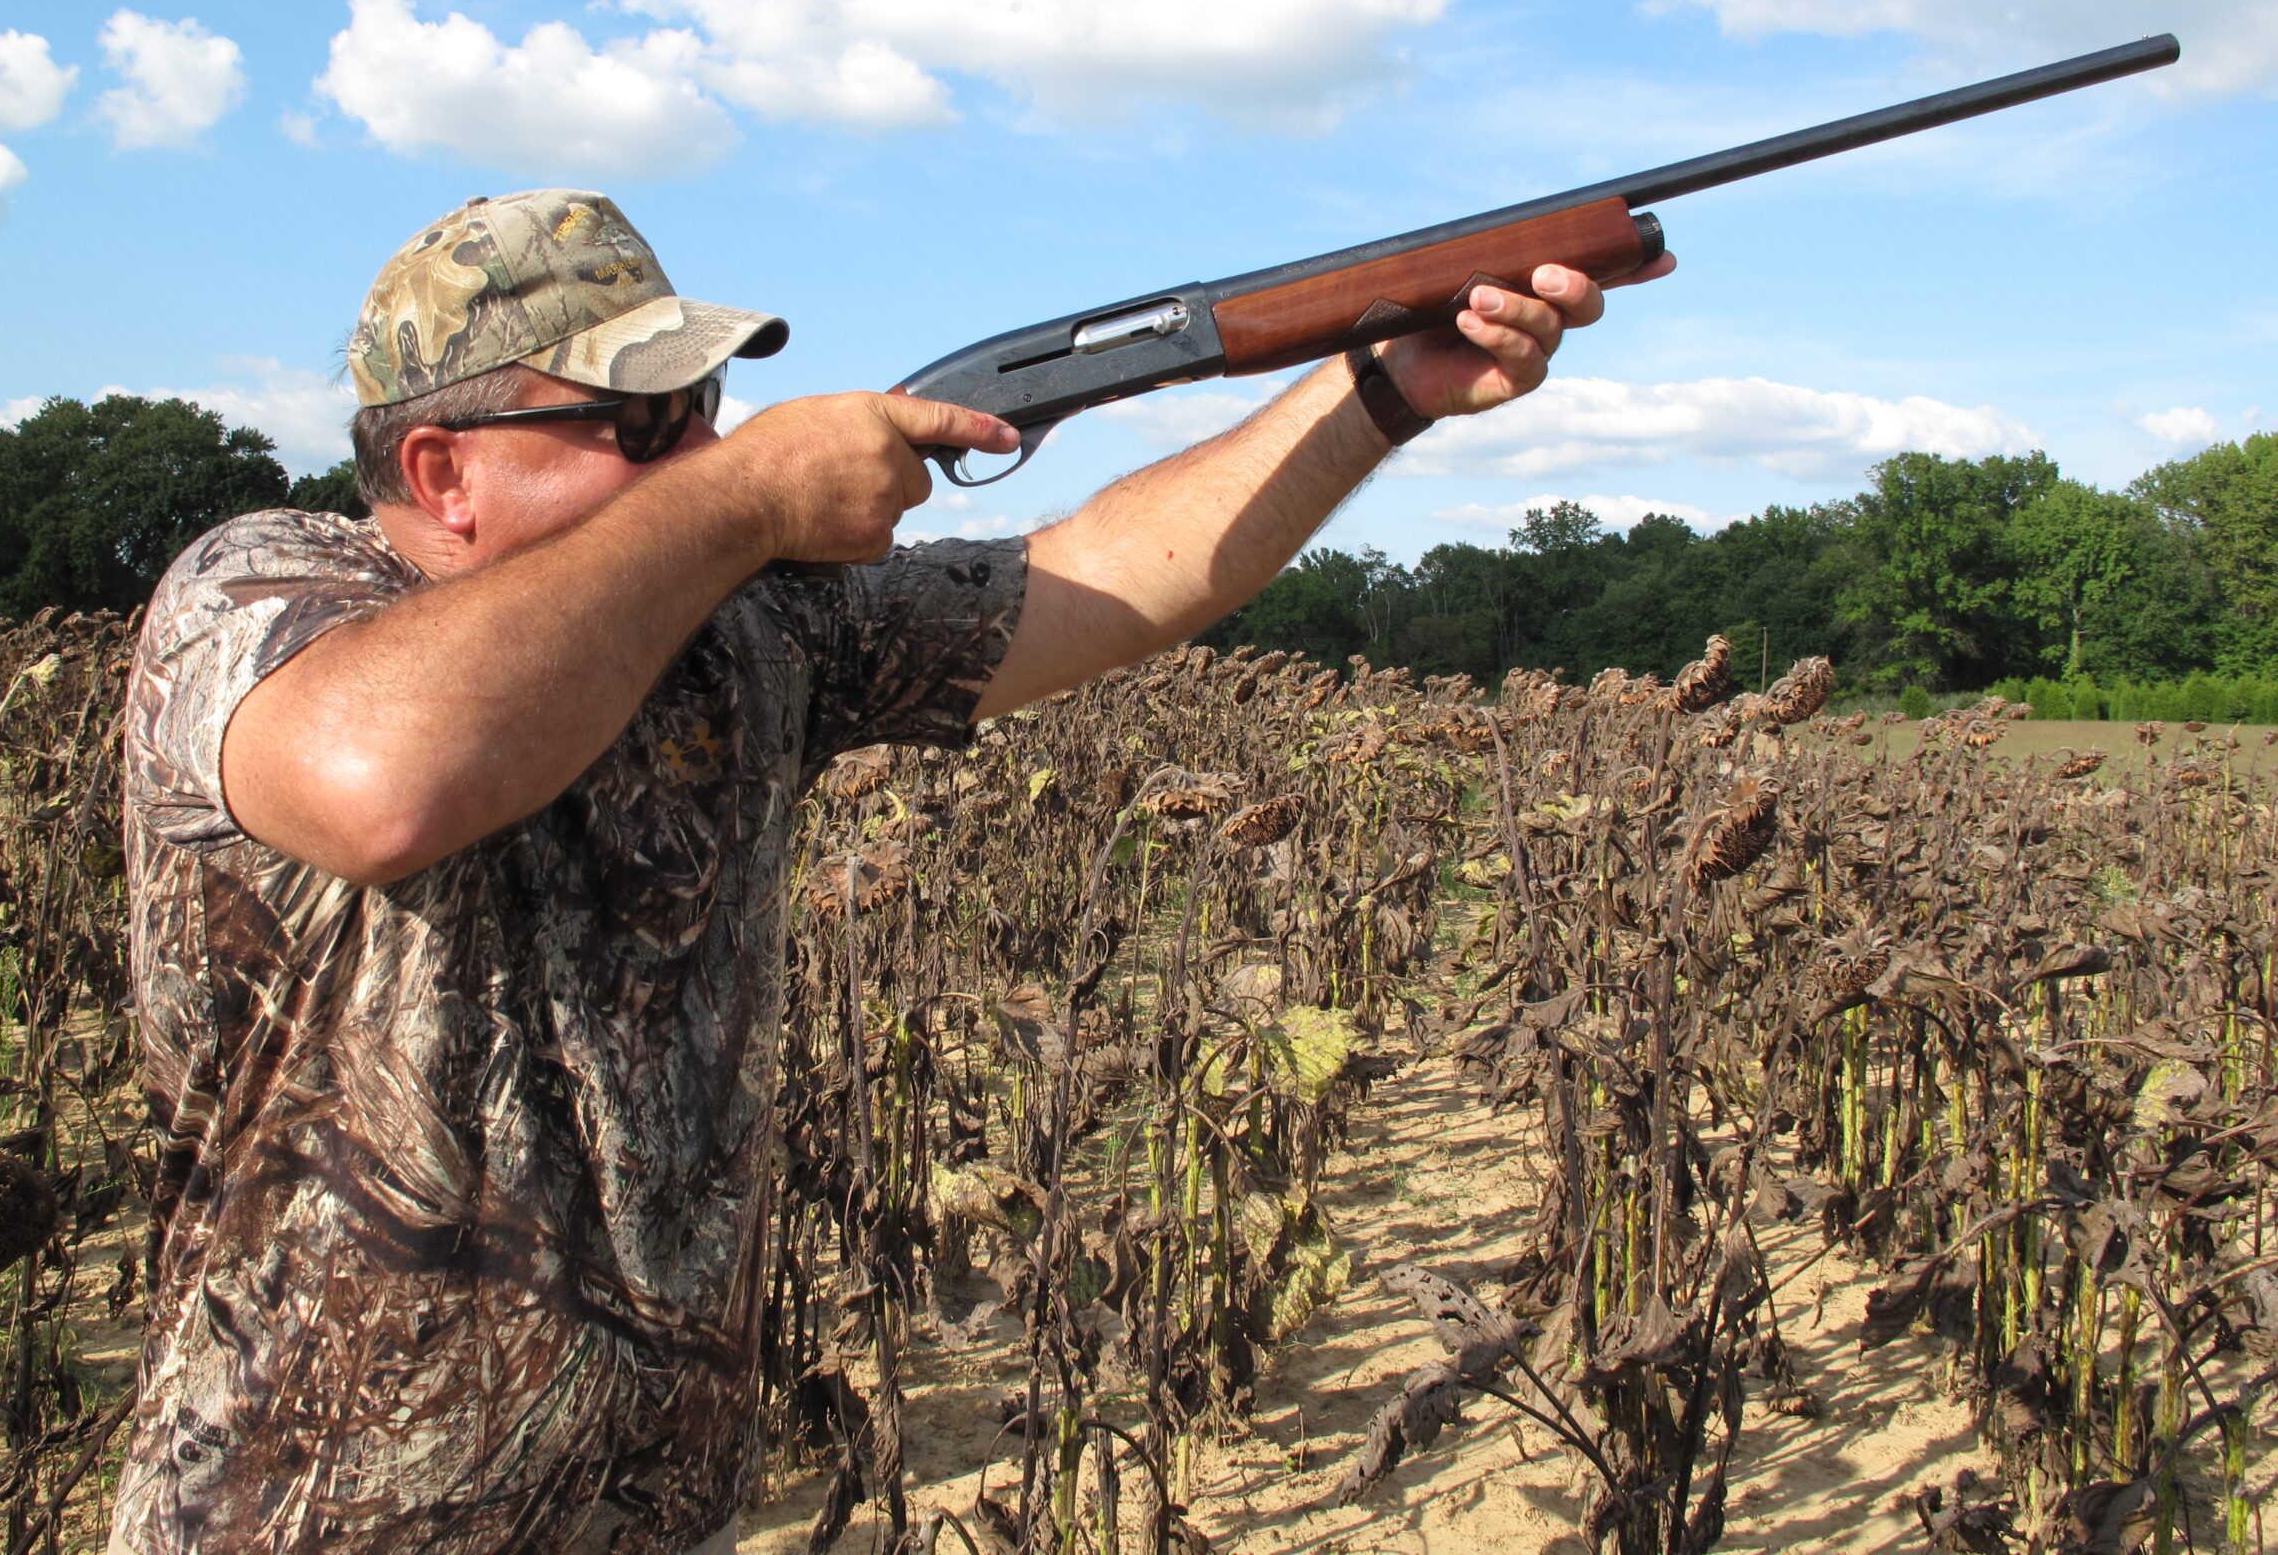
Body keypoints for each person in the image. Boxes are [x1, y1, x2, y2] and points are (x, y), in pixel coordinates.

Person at [111, 188, 1660, 1554]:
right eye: (644, 424)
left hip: (659, 1508)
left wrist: (1377, 393)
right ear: (443, 469)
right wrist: (743, 498)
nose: (705, 450)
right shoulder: (262, 593)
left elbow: (1106, 579)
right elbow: (385, 785)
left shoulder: (752, 629)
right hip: (321, 1514)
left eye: (712, 410)